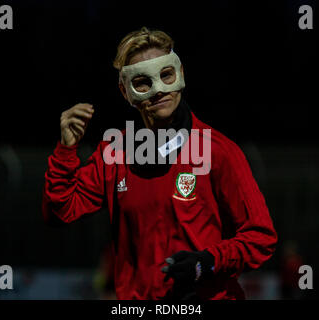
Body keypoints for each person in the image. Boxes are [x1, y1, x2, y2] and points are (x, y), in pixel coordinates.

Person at [42, 27, 277, 300]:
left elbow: (261, 237)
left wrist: (207, 261)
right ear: (125, 91)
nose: (158, 90)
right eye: (142, 82)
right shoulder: (116, 152)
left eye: (166, 75)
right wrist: (66, 150)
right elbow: (60, 211)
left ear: (181, 74)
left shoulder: (219, 152)